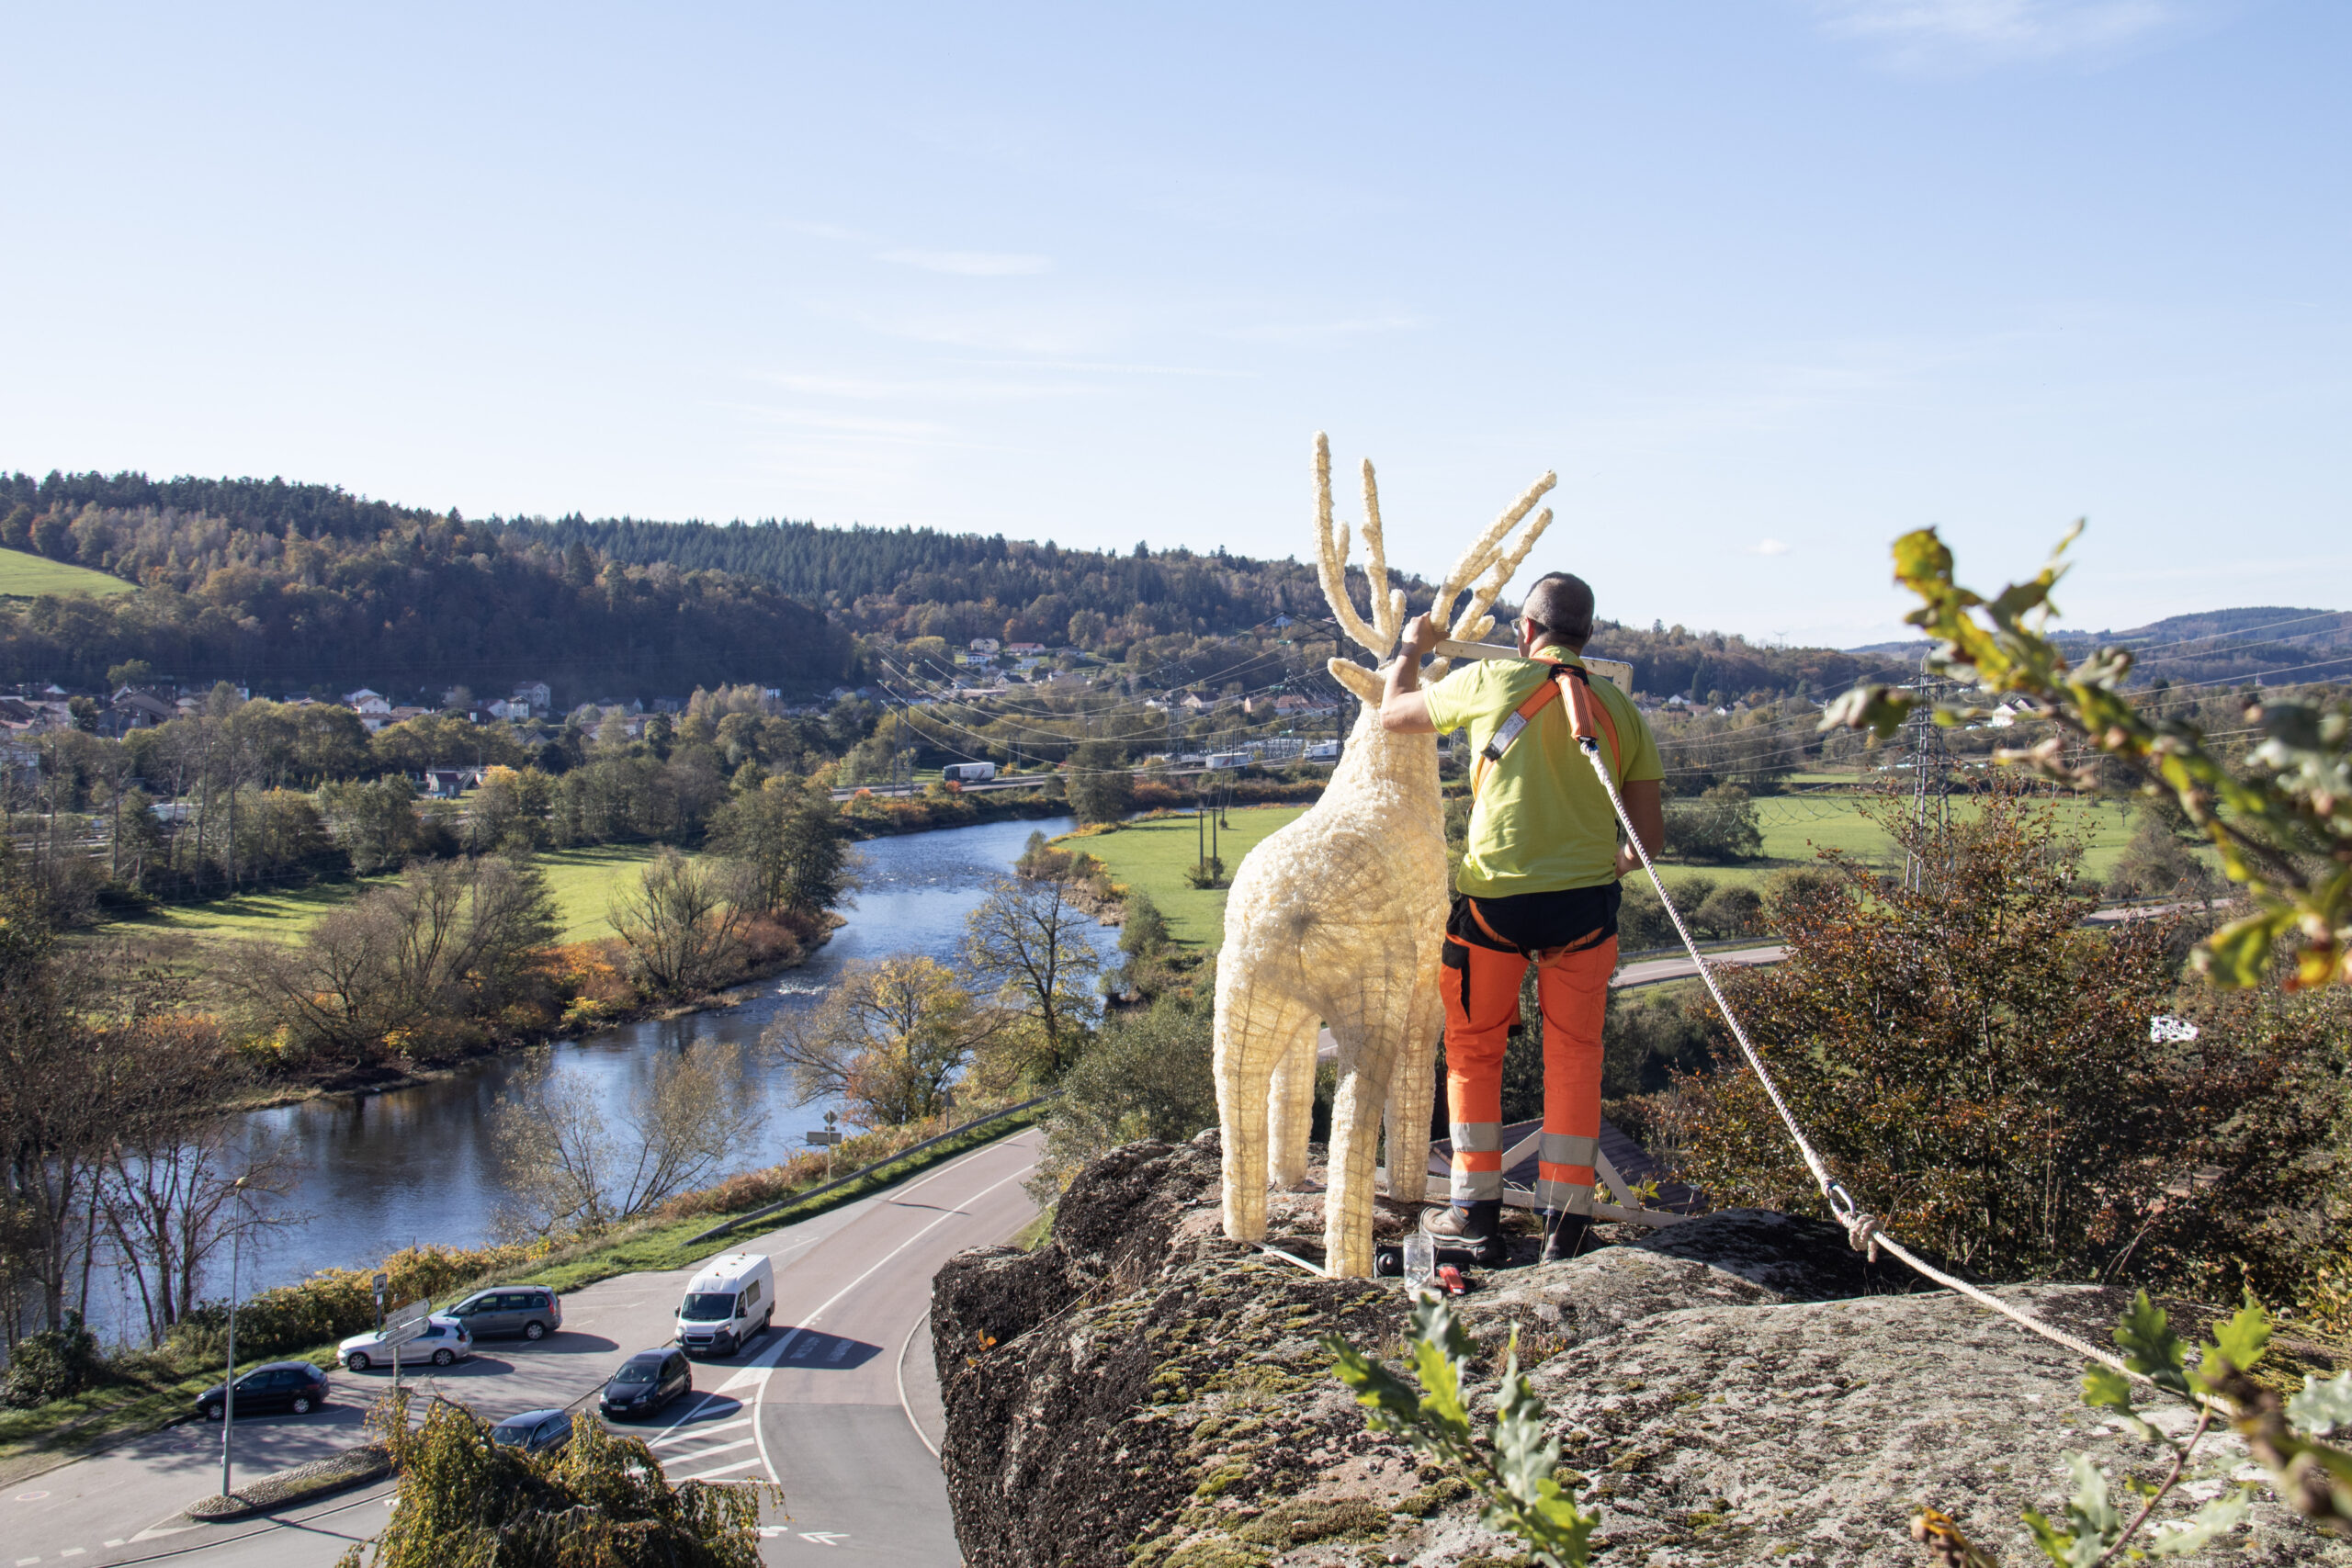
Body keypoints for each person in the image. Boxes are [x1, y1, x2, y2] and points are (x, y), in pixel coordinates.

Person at [1381, 571, 1665, 1262]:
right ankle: (1566, 1225)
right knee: (1576, 1055)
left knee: (1474, 1050)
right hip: (1584, 911)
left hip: (1494, 908)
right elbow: (1646, 841)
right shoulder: (1621, 711)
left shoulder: (1489, 681)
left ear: (1526, 632)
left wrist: (1411, 646)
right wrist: (1602, 864)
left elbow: (1394, 713)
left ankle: (1473, 1213)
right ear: (1587, 636)